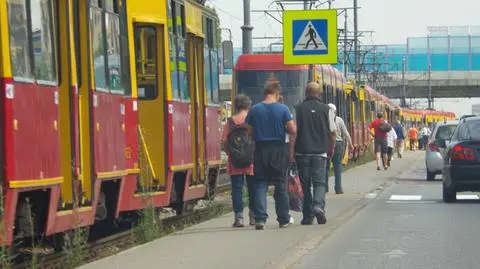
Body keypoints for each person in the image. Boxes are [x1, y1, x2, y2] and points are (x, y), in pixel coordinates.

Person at [246, 80, 297, 230]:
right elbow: (293, 130)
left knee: (260, 184)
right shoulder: (283, 109)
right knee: (281, 184)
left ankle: (260, 219)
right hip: (279, 150)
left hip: (261, 150)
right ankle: (283, 219)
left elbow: (248, 132)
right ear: (277, 93)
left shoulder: (255, 109)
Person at [289, 82, 336, 225]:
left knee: (305, 184)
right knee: (320, 183)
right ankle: (318, 206)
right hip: (320, 153)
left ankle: (307, 216)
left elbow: (294, 133)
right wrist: (331, 148)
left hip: (302, 152)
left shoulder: (298, 109)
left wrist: (291, 151)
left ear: (306, 92)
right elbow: (333, 132)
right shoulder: (327, 109)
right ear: (319, 93)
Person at [221, 95, 255, 228]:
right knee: (253, 188)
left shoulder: (230, 122)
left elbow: (224, 141)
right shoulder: (252, 119)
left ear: (235, 106)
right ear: (248, 105)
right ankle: (253, 216)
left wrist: (231, 153)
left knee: (236, 189)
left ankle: (239, 218)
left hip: (235, 161)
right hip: (251, 160)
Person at [326, 103, 354, 194]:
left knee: (325, 167)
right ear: (335, 111)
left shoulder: (324, 119)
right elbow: (345, 133)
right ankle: (338, 188)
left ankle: (325, 188)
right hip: (338, 144)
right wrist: (350, 144)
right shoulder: (339, 120)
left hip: (327, 144)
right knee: (337, 166)